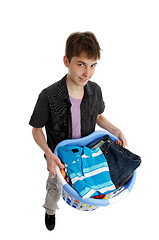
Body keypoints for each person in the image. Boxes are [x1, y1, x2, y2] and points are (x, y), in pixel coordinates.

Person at [29, 32, 127, 231]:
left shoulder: (96, 90)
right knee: (54, 188)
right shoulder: (48, 96)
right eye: (81, 64)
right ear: (66, 61)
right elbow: (36, 129)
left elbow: (98, 116)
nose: (87, 73)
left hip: (87, 155)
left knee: (98, 181)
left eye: (93, 65)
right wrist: (48, 154)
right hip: (60, 160)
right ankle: (49, 211)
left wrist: (116, 130)